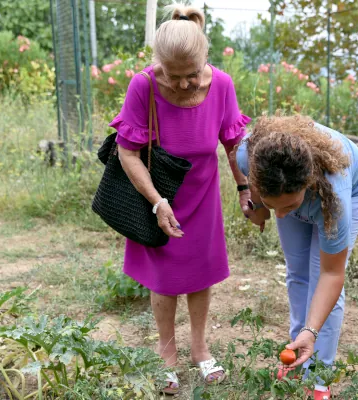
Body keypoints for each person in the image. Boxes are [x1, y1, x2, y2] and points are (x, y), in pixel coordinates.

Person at [110, 3, 251, 394]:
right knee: (164, 277)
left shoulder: (221, 84)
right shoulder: (144, 85)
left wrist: (243, 188)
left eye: (193, 75)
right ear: (159, 65)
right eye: (175, 77)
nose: (186, 85)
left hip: (203, 196)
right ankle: (166, 354)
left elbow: (233, 141)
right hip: (158, 195)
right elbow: (128, 152)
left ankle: (200, 350)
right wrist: (157, 202)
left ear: (205, 59)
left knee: (201, 273)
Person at [233, 115, 358, 399]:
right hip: (288, 189)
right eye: (276, 207)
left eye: (290, 205)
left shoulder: (336, 198)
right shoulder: (250, 154)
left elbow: (332, 275)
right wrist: (258, 204)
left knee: (321, 278)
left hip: (340, 189)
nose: (282, 215)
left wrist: (312, 329)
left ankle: (319, 376)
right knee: (297, 275)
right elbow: (248, 176)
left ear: (307, 184)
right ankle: (296, 354)